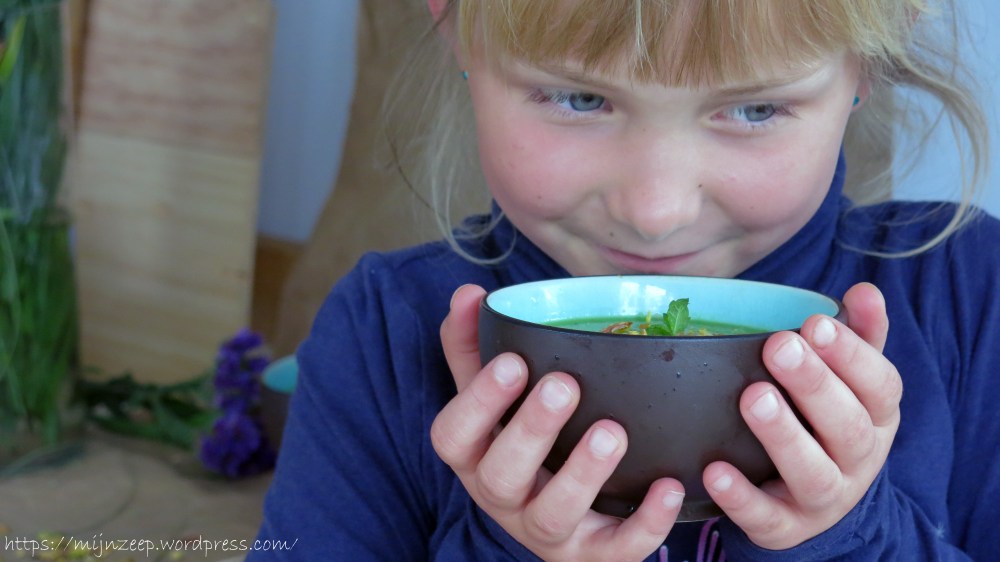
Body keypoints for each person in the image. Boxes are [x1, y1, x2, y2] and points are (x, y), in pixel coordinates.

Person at [249, 0, 999, 560]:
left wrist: (857, 539)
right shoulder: (383, 331)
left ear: (867, 62)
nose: (655, 213)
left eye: (754, 108)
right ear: (453, 23)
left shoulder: (973, 297)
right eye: (580, 99)